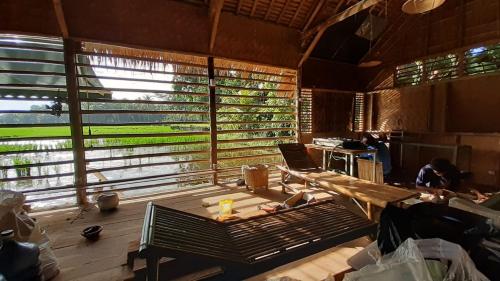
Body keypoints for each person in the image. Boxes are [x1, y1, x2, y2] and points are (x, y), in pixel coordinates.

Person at [416, 158, 488, 201]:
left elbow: (461, 185)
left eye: (445, 173)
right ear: (435, 171)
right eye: (440, 174)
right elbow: (418, 186)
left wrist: (478, 193)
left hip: (449, 193)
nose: (443, 175)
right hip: (432, 193)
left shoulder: (452, 169)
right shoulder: (425, 170)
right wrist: (435, 190)